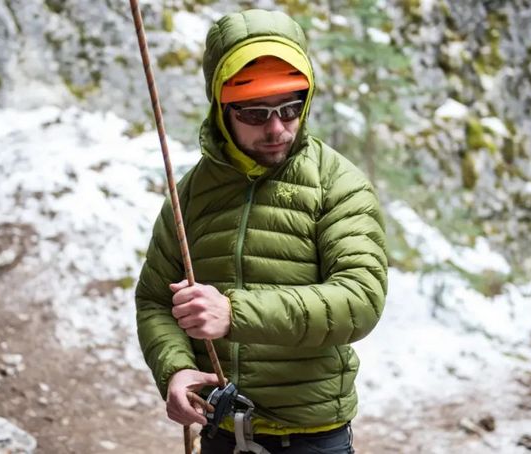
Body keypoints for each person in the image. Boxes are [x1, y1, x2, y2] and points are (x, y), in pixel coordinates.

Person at [135, 8, 387, 453]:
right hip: (220, 432)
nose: (276, 128)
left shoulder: (337, 184)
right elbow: (155, 298)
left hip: (311, 437)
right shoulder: (192, 193)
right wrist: (173, 369)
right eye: (255, 113)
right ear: (222, 109)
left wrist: (235, 314)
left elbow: (360, 299)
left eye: (291, 109)